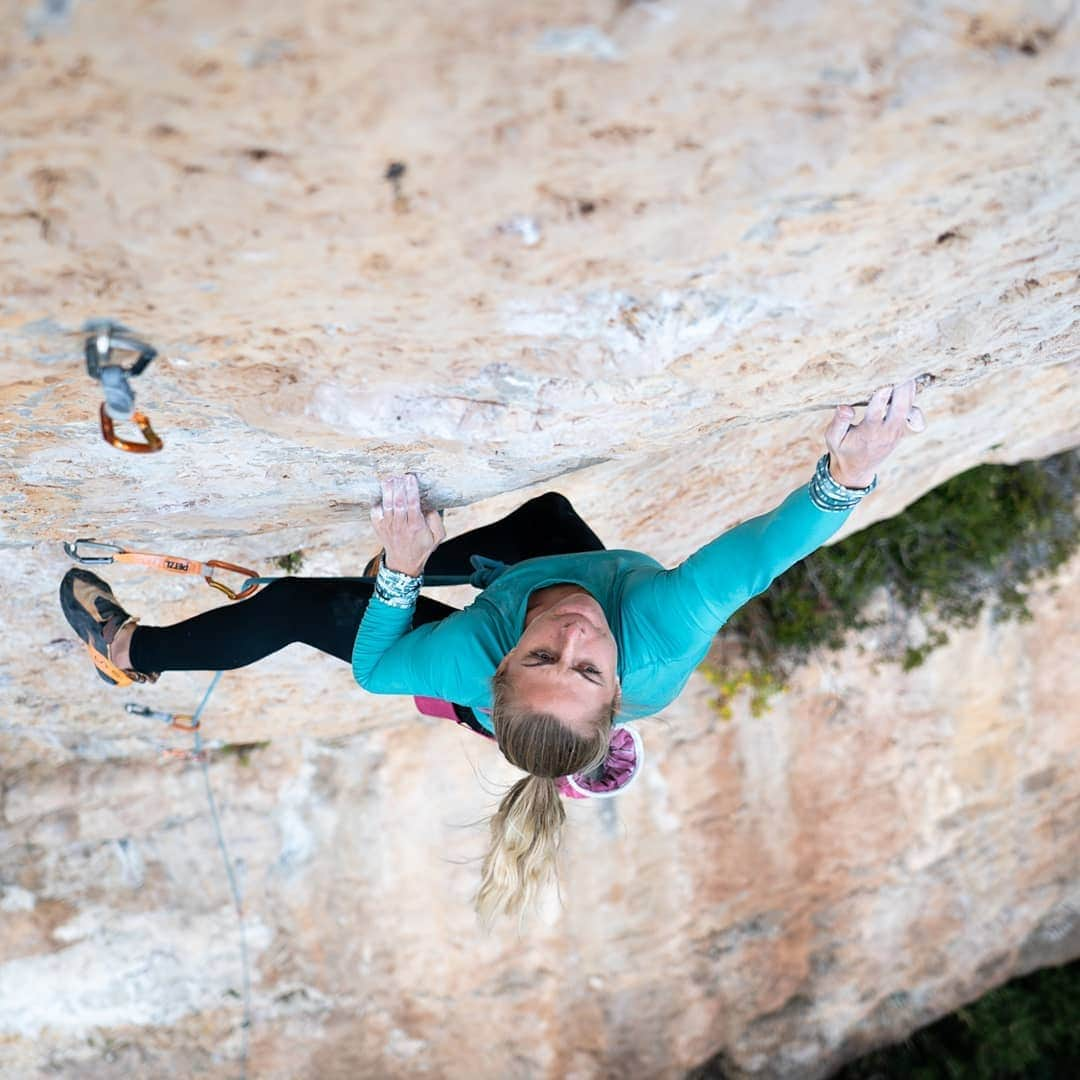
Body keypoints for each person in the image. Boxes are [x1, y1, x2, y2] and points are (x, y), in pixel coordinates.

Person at [61, 378, 926, 923]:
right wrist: (846, 474)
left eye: (545, 659)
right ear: (616, 679)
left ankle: (135, 649)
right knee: (545, 521)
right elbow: (752, 563)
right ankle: (421, 570)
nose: (574, 639)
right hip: (552, 597)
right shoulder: (659, 627)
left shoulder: (469, 656)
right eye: (586, 665)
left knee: (300, 606)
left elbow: (373, 668)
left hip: (495, 643)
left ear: (501, 666)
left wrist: (400, 578)